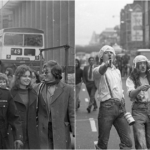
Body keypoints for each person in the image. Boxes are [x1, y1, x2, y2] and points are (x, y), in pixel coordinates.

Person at [93, 45, 132, 149]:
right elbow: (101, 71)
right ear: (101, 56)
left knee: (128, 142)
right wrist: (106, 65)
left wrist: (122, 99)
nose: (109, 54)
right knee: (103, 143)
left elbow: (120, 88)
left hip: (120, 107)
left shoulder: (117, 71)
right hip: (107, 108)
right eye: (106, 52)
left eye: (111, 52)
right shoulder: (97, 70)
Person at [33, 60, 75, 149]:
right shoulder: (37, 88)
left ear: (55, 73)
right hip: (42, 130)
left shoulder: (68, 89)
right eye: (43, 72)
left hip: (61, 130)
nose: (44, 74)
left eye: (46, 72)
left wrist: (75, 131)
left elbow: (72, 112)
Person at [10, 64, 40, 149]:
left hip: (31, 132)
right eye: (24, 76)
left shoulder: (33, 92)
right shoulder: (10, 93)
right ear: (18, 77)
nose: (28, 78)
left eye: (29, 76)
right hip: (16, 132)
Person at [126, 55, 150, 149]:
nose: (143, 66)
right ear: (136, 66)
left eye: (144, 63)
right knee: (141, 141)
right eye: (140, 64)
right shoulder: (131, 79)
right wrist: (139, 88)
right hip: (138, 110)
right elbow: (131, 94)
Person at [0, 73, 23, 149]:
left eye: (4, 81)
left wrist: (18, 137)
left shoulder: (6, 94)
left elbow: (14, 117)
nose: (2, 83)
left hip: (2, 138)